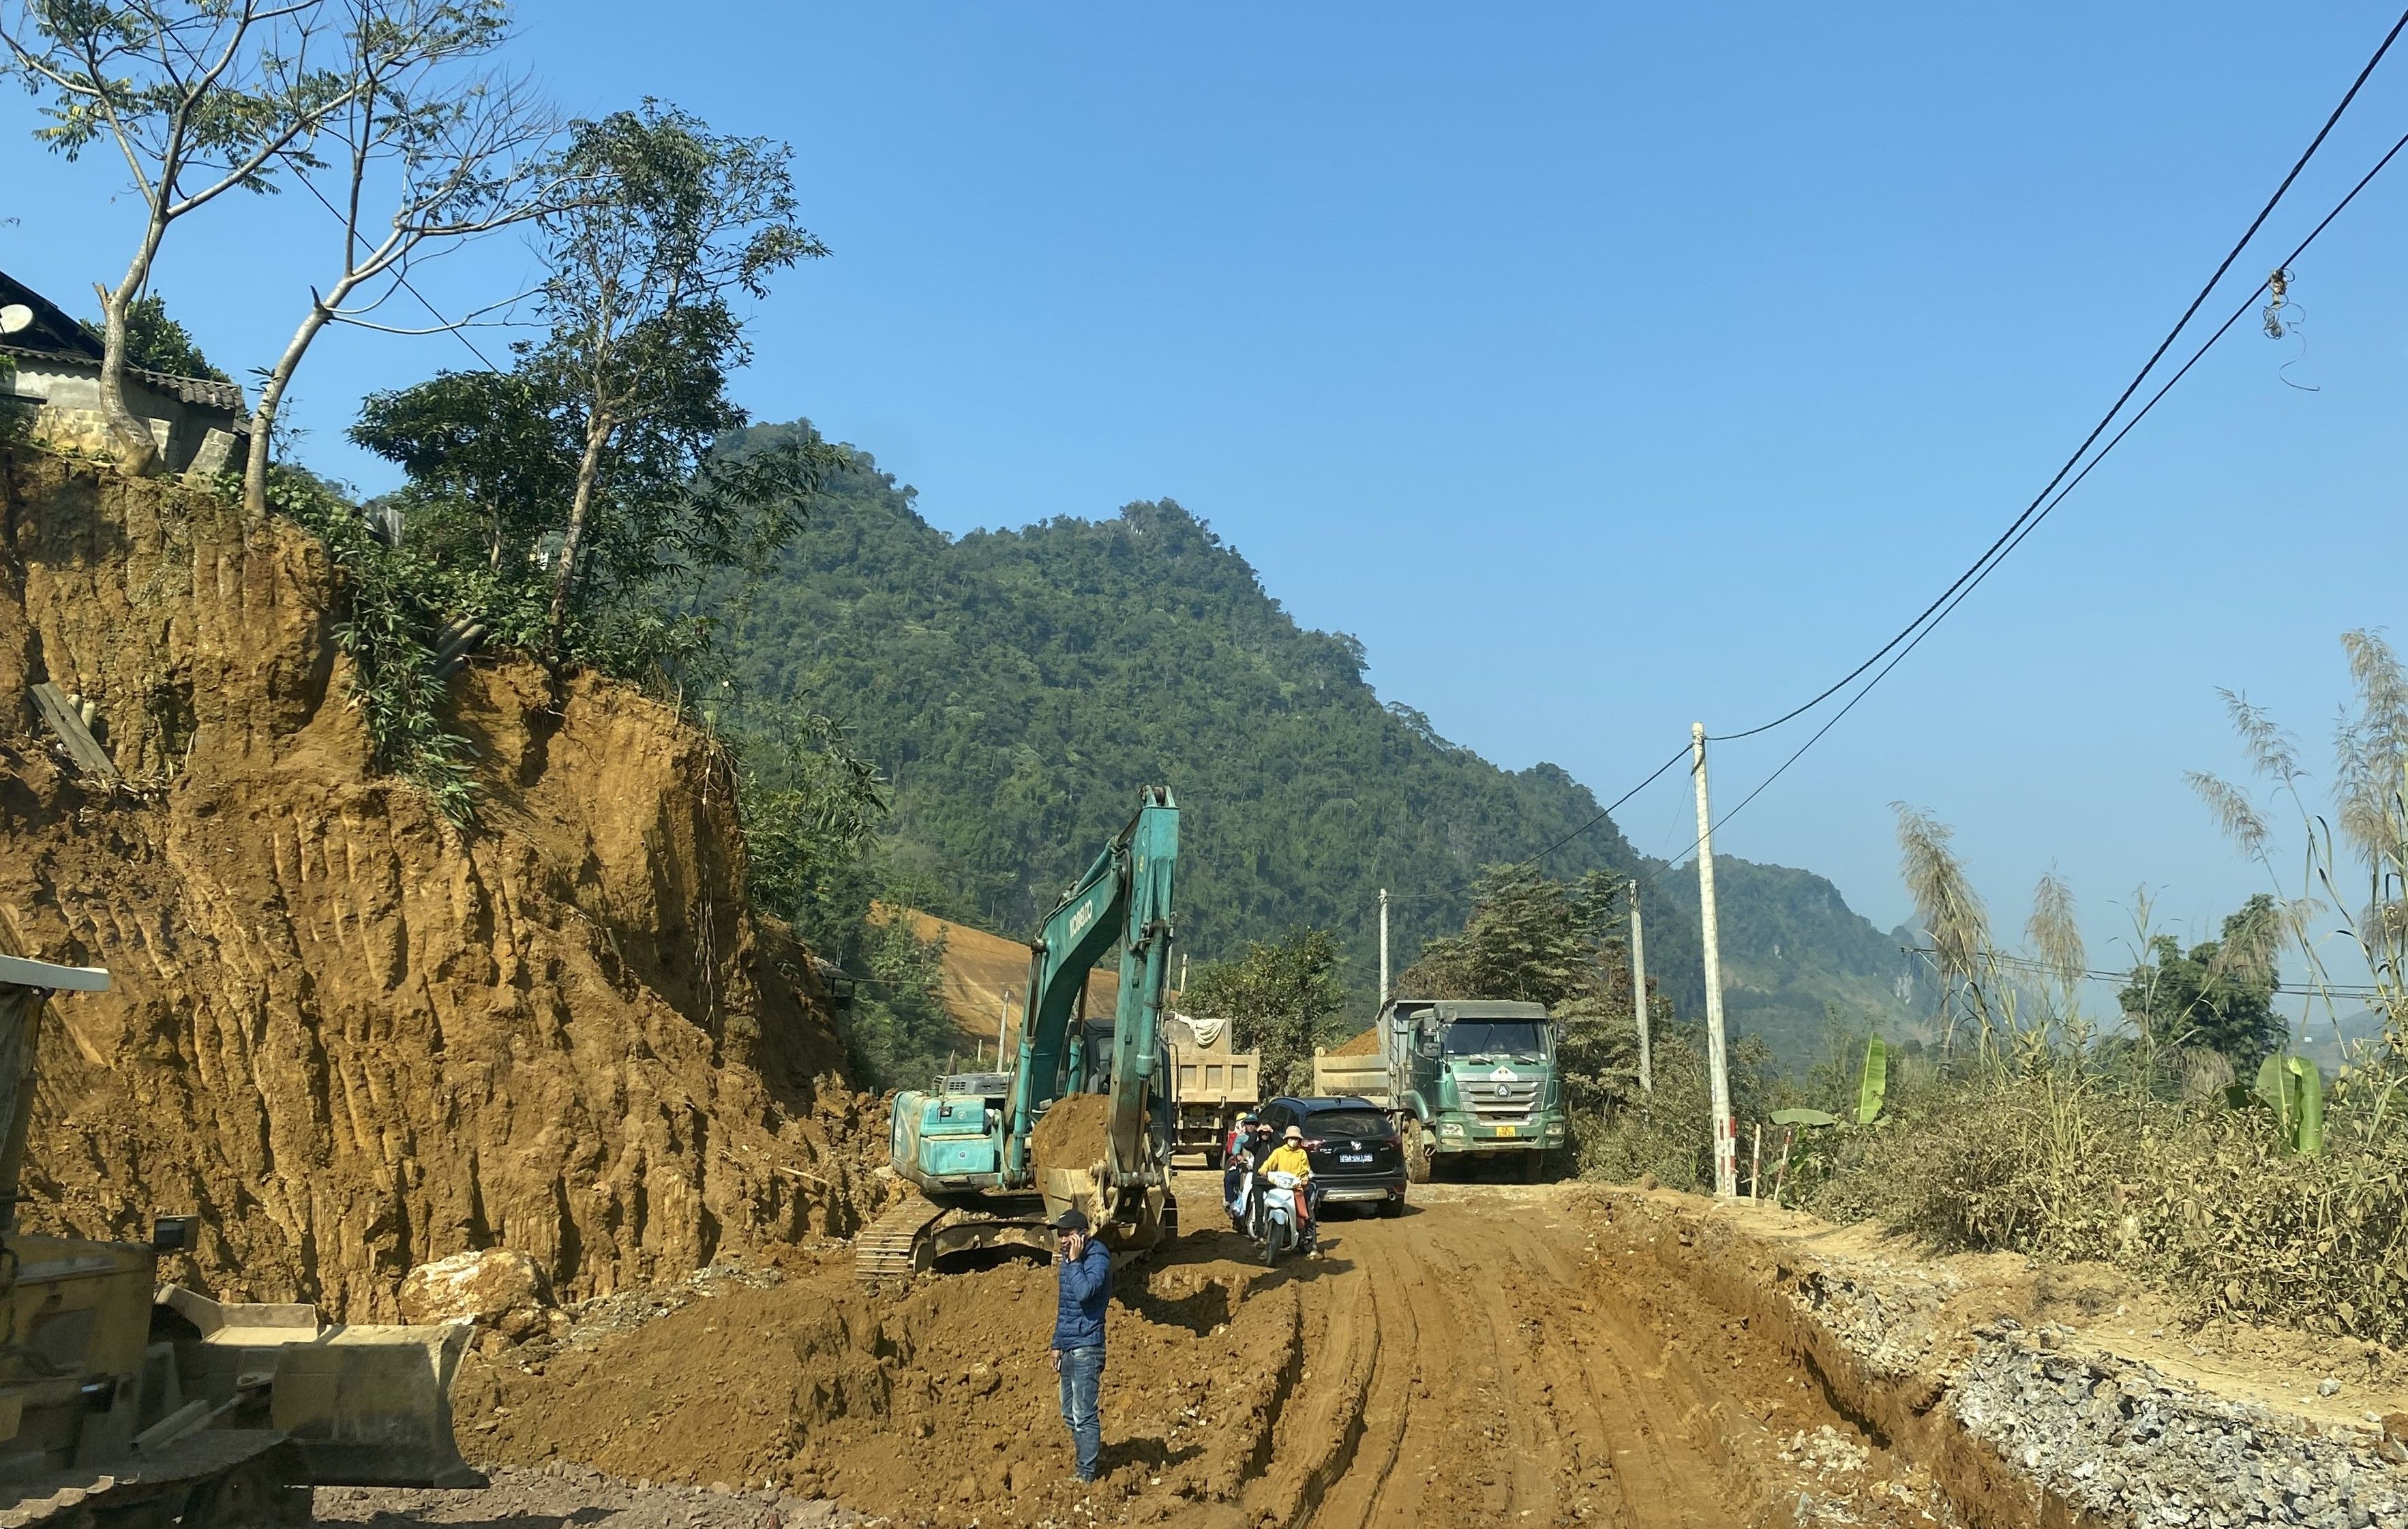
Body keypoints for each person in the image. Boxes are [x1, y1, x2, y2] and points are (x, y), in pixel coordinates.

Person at [1050, 1207, 1111, 1483]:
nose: (1063, 1241)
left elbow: (1086, 1293)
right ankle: (1088, 1453)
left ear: (1083, 1235)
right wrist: (1056, 1344)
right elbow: (1065, 1308)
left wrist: (1075, 1262)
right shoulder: (1067, 1261)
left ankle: (1086, 1473)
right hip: (1069, 1345)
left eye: (1068, 1235)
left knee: (1083, 1413)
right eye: (1060, 1236)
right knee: (1068, 1412)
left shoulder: (1098, 1258)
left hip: (1088, 1346)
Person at [1259, 1125, 1320, 1256]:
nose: (1293, 1141)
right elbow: (1269, 1163)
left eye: (1296, 1139)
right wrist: (1263, 1171)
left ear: (1299, 1140)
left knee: (1307, 1215)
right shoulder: (1279, 1152)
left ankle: (1313, 1244)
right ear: (1287, 1139)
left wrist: (1304, 1179)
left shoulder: (1302, 1153)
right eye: (1291, 1138)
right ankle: (1267, 1246)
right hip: (1281, 1188)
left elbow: (1305, 1169)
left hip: (1298, 1188)